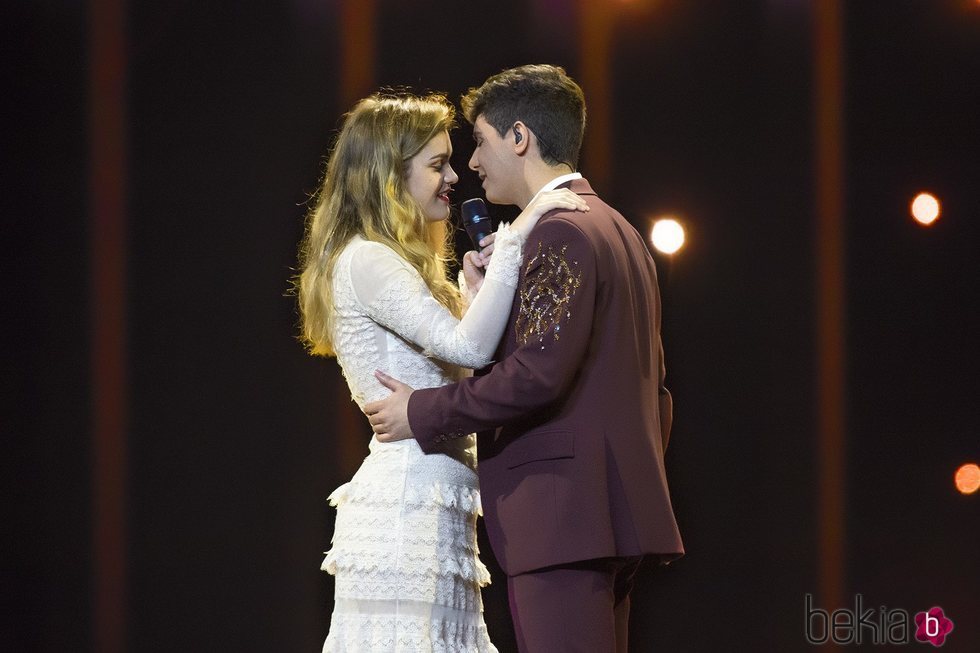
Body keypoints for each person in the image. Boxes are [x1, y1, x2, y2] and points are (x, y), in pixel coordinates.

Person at [364, 65, 684, 653]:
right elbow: (653, 386)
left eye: (481, 142)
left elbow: (537, 373)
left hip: (565, 514)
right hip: (607, 511)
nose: (474, 164)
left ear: (519, 137)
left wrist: (424, 411)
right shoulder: (618, 229)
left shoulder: (560, 233)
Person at [295, 91, 589, 652]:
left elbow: (458, 357)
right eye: (436, 165)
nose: (455, 176)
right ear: (388, 175)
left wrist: (474, 291)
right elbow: (469, 349)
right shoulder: (367, 258)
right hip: (408, 505)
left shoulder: (395, 261)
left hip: (437, 500)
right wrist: (519, 235)